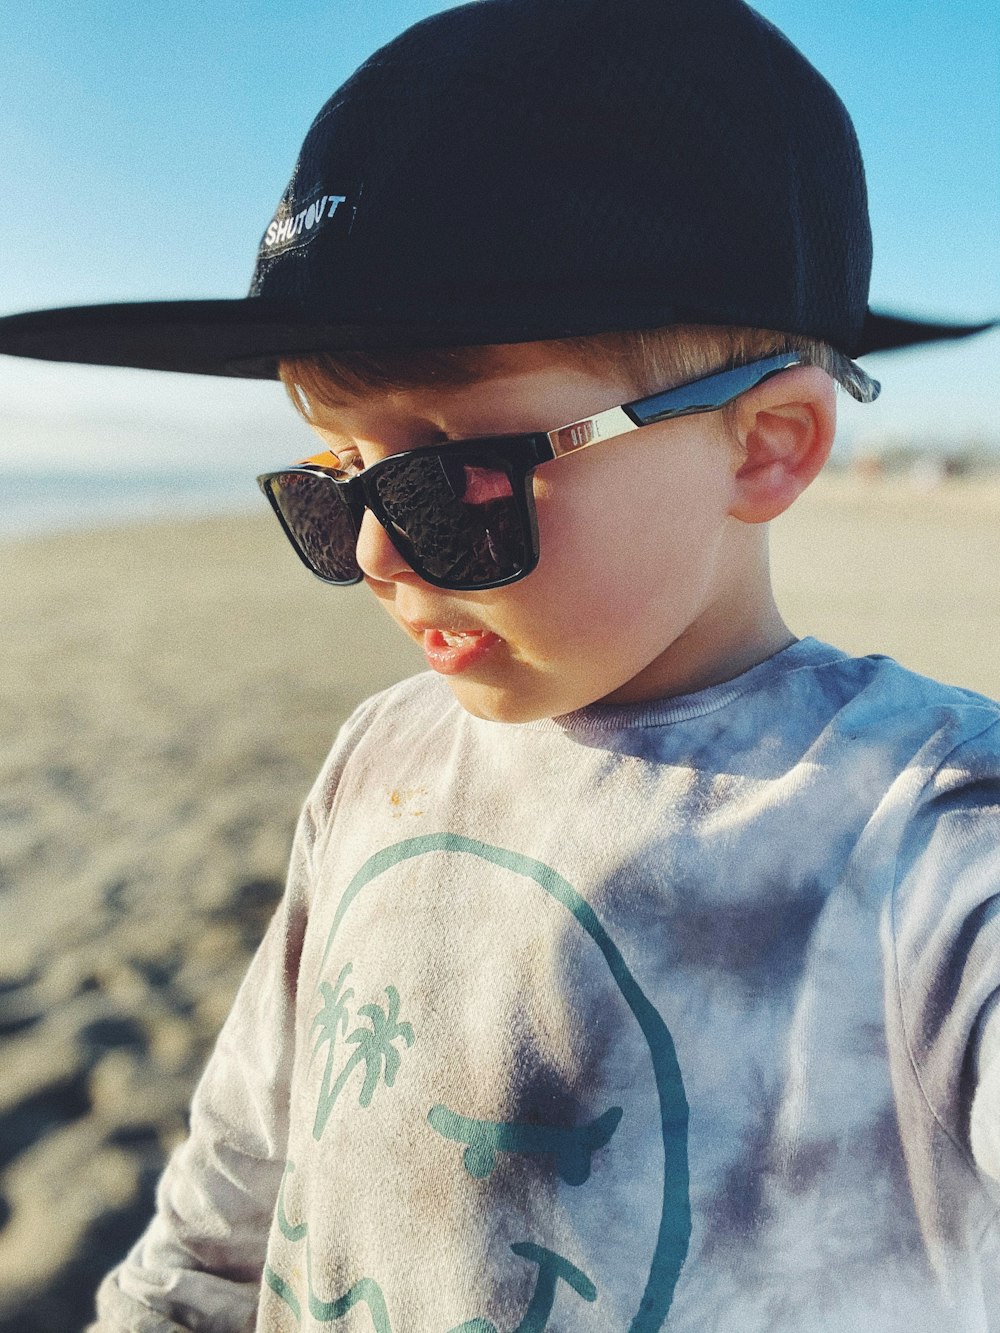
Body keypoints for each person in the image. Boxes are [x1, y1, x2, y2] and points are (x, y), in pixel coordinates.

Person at [1, 1, 998, 1329]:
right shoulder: (378, 757)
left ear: (766, 445)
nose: (369, 551)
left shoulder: (917, 841)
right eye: (333, 476)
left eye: (452, 477)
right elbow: (228, 1201)